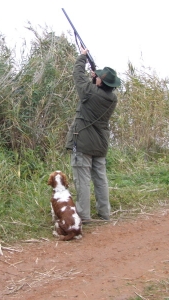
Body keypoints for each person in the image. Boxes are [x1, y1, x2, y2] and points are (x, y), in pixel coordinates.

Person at [65, 47, 121, 224]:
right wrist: (96, 79)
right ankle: (105, 213)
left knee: (82, 181)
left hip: (84, 142)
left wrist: (82, 57)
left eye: (98, 77)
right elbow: (93, 87)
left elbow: (77, 75)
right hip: (100, 144)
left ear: (100, 82)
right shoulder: (111, 98)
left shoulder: (90, 92)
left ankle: (84, 217)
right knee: (100, 179)